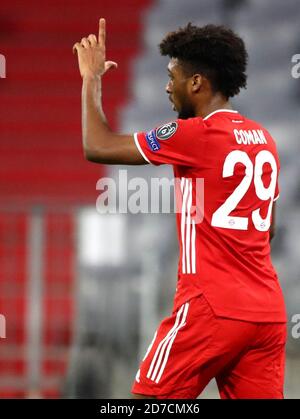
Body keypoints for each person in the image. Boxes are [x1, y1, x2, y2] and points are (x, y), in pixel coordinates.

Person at [73, 18, 287, 399]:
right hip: (267, 314)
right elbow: (266, 229)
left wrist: (91, 79)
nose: (168, 87)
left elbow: (98, 146)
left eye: (173, 76)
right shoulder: (264, 140)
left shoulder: (195, 134)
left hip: (209, 309)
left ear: (197, 83)